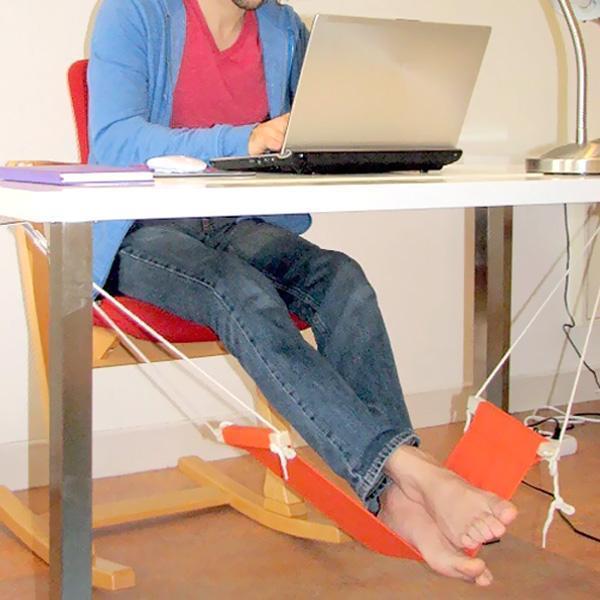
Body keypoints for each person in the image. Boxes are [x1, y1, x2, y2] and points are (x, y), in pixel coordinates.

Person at [89, 0, 516, 586]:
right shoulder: (135, 12)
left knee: (344, 279)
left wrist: (379, 126)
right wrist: (251, 136)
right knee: (241, 292)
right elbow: (111, 140)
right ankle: (411, 473)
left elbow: (328, 123)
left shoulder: (283, 28)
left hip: (241, 222)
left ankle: (396, 496)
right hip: (142, 233)